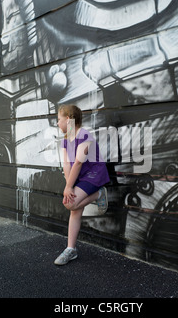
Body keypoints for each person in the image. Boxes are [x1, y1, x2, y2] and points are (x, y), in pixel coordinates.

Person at [54, 104, 110, 265]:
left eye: (59, 119)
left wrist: (69, 187)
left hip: (94, 175)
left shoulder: (84, 135)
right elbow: (67, 164)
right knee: (74, 207)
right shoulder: (65, 140)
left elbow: (78, 162)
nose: (57, 123)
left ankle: (99, 193)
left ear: (68, 119)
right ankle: (71, 249)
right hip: (79, 176)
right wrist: (69, 185)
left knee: (71, 204)